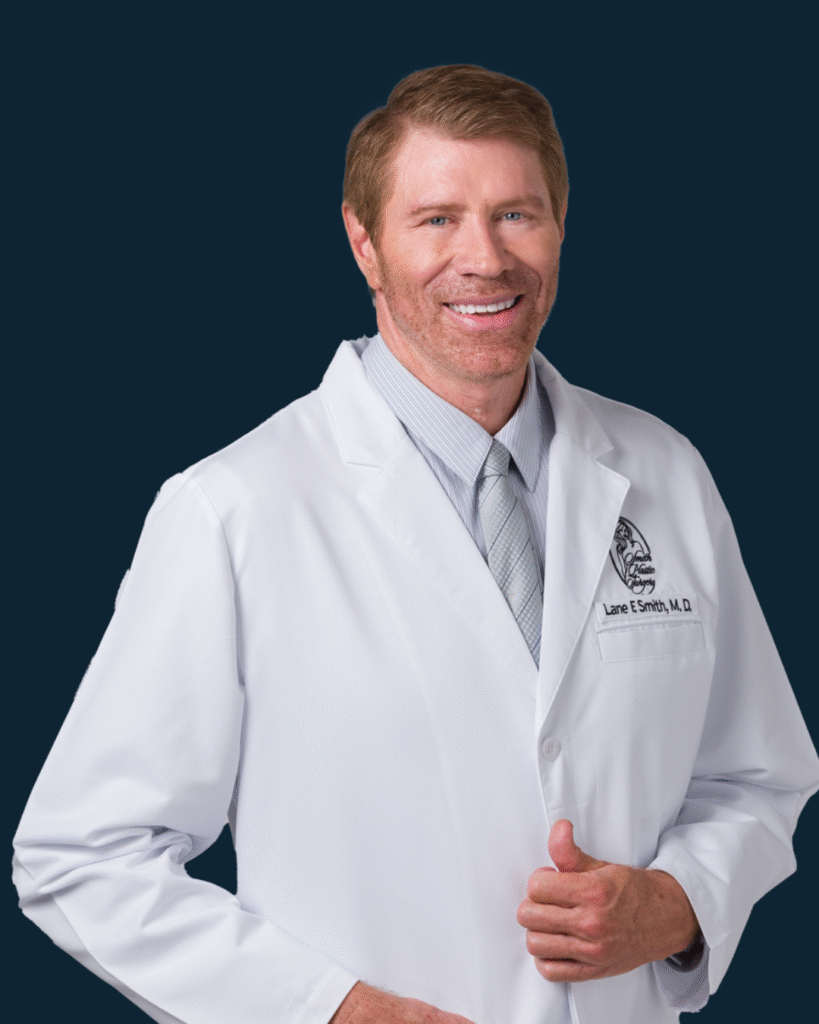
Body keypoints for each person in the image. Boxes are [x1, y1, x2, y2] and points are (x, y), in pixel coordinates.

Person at [13, 64, 819, 1024]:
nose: (484, 258)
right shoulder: (232, 510)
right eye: (436, 219)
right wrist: (332, 1010)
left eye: (515, 214)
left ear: (560, 225)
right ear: (365, 243)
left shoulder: (664, 471)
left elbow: (757, 776)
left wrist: (680, 901)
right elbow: (81, 857)